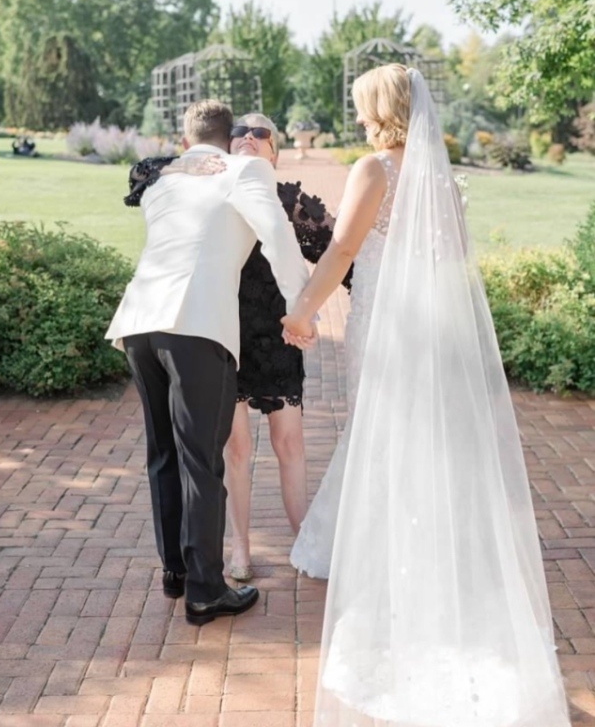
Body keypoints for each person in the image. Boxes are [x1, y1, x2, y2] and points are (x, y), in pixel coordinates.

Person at [283, 66, 571, 725]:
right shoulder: (441, 177)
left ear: (381, 108)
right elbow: (452, 259)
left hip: (387, 324)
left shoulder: (374, 170)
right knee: (426, 441)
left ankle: (391, 575)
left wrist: (303, 311)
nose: (357, 119)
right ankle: (434, 564)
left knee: (384, 434)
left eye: (361, 107)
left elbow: (341, 251)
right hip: (432, 323)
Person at [105, 99, 310, 627]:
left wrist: (181, 163)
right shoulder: (246, 169)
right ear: (228, 138)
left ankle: (175, 571)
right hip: (196, 326)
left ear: (186, 137)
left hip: (139, 325)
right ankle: (205, 591)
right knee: (201, 460)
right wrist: (301, 311)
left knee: (163, 453)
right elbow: (279, 238)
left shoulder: (165, 178)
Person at [126, 113, 350, 584]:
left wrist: (310, 312)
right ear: (225, 146)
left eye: (261, 133)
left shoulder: (285, 199)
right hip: (221, 335)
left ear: (276, 152)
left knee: (288, 443)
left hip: (277, 337)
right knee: (234, 448)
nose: (249, 138)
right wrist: (181, 166)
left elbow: (339, 258)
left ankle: (303, 540)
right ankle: (238, 550)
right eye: (240, 132)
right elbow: (142, 171)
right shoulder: (215, 178)